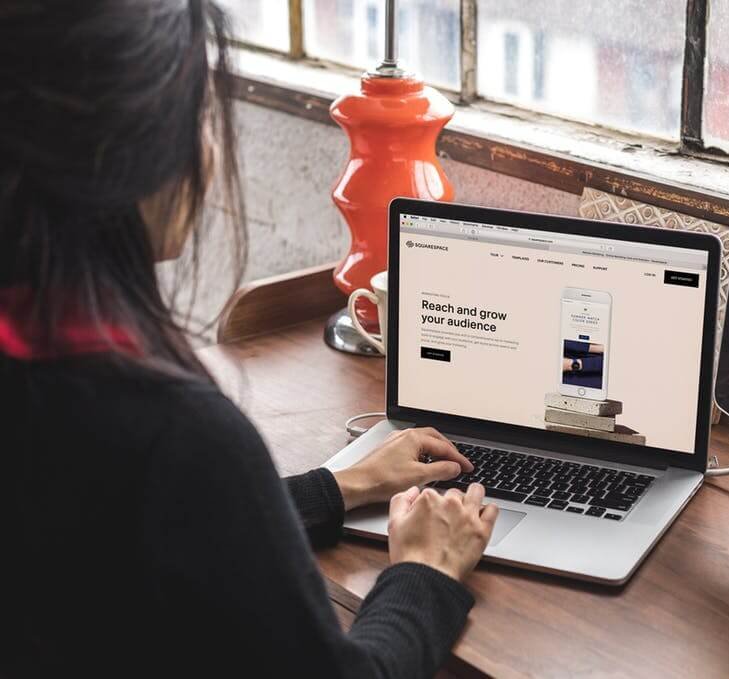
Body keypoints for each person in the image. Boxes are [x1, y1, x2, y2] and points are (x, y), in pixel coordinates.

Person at [0, 1, 498, 676]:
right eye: (201, 117)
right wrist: (425, 573)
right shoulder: (173, 434)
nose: (209, 148)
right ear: (124, 159)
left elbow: (141, 523)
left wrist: (337, 486)